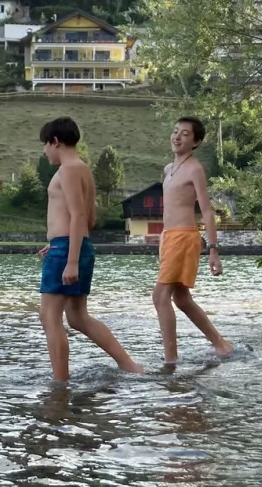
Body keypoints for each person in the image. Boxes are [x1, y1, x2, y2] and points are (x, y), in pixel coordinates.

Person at [37, 117, 144, 383]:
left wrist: (69, 258)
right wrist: (62, 244)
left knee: (49, 316)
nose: (44, 151)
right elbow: (89, 219)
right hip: (74, 246)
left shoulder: (68, 169)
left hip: (68, 250)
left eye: (45, 145)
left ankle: (60, 383)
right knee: (77, 317)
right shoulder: (83, 168)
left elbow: (77, 215)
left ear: (56, 141)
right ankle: (130, 366)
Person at [154, 116, 235, 368]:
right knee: (181, 298)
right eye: (176, 131)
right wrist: (163, 237)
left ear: (196, 141)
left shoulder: (194, 169)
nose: (177, 137)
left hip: (185, 236)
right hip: (168, 237)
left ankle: (170, 360)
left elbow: (207, 211)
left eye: (185, 134)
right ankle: (221, 344)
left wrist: (213, 249)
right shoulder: (169, 169)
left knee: (159, 297)